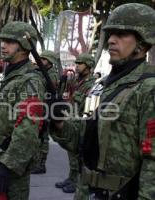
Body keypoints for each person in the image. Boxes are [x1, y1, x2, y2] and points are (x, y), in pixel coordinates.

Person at [50, 3, 155, 199]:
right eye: (111, 34)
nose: (112, 40)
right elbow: (84, 138)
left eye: (121, 34)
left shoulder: (148, 88)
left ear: (143, 43)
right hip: (86, 190)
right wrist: (59, 121)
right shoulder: (102, 85)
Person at [0, 21, 46, 200]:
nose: (2, 45)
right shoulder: (5, 75)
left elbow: (27, 131)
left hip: (10, 163)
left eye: (10, 41)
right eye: (2, 41)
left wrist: (7, 165)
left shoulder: (30, 81)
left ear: (24, 46)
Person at [54, 53, 96, 193]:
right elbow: (66, 95)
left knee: (78, 156)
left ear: (88, 67)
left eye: (80, 64)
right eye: (76, 63)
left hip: (80, 122)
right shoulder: (76, 81)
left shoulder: (91, 85)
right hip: (70, 119)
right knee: (71, 153)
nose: (77, 66)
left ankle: (77, 182)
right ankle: (71, 178)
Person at [31, 50, 60, 174]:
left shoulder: (52, 74)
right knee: (37, 136)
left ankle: (41, 164)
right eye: (40, 59)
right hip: (39, 107)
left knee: (43, 138)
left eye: (44, 59)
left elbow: (50, 87)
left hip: (46, 108)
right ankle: (35, 161)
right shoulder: (40, 71)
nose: (40, 61)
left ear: (50, 62)